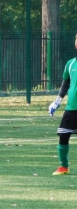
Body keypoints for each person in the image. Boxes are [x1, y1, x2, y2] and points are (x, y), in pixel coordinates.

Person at [48, 34, 77, 175]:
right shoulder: (70, 64)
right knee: (63, 135)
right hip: (71, 107)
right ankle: (64, 167)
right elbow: (66, 82)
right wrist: (57, 101)